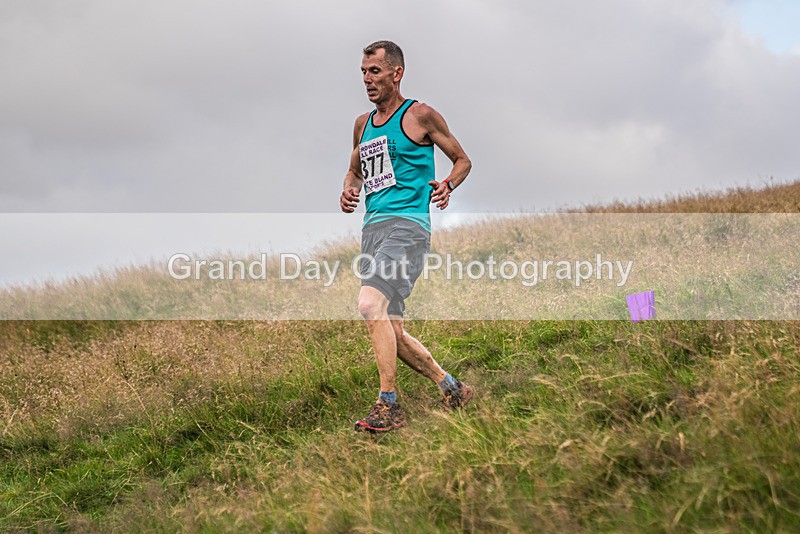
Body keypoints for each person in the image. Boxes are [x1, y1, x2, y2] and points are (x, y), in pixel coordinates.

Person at [340, 40, 474, 432]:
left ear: (396, 73)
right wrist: (349, 187)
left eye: (375, 71)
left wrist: (448, 184)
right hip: (374, 231)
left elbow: (463, 160)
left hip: (408, 227)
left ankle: (389, 405)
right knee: (390, 328)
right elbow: (355, 168)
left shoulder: (420, 116)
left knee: (369, 304)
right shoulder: (362, 125)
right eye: (364, 72)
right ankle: (452, 388)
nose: (368, 79)